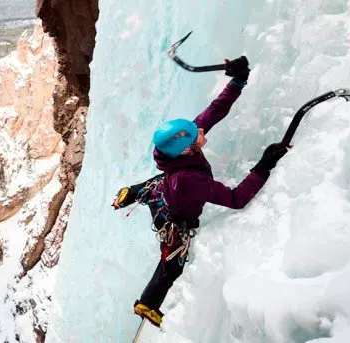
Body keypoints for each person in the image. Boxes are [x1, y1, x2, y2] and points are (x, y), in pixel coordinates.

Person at [113, 56, 289, 327]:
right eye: (196, 134)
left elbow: (214, 111)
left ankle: (131, 193)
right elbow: (235, 199)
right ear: (185, 148)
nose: (201, 131)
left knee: (154, 187)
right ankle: (147, 304)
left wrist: (238, 80)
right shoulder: (190, 178)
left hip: (164, 190)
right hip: (173, 215)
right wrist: (263, 167)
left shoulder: (174, 149)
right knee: (172, 264)